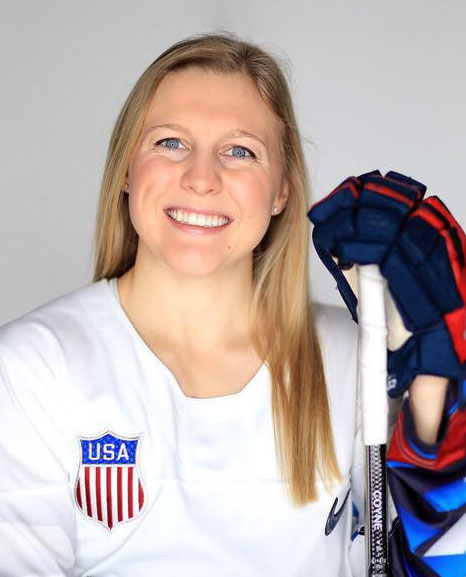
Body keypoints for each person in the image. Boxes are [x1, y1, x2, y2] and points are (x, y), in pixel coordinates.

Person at [0, 32, 464, 577]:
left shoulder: (353, 360)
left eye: (240, 151)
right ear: (126, 170)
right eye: (170, 143)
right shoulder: (33, 368)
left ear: (281, 192)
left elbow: (434, 557)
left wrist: (432, 378)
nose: (201, 179)